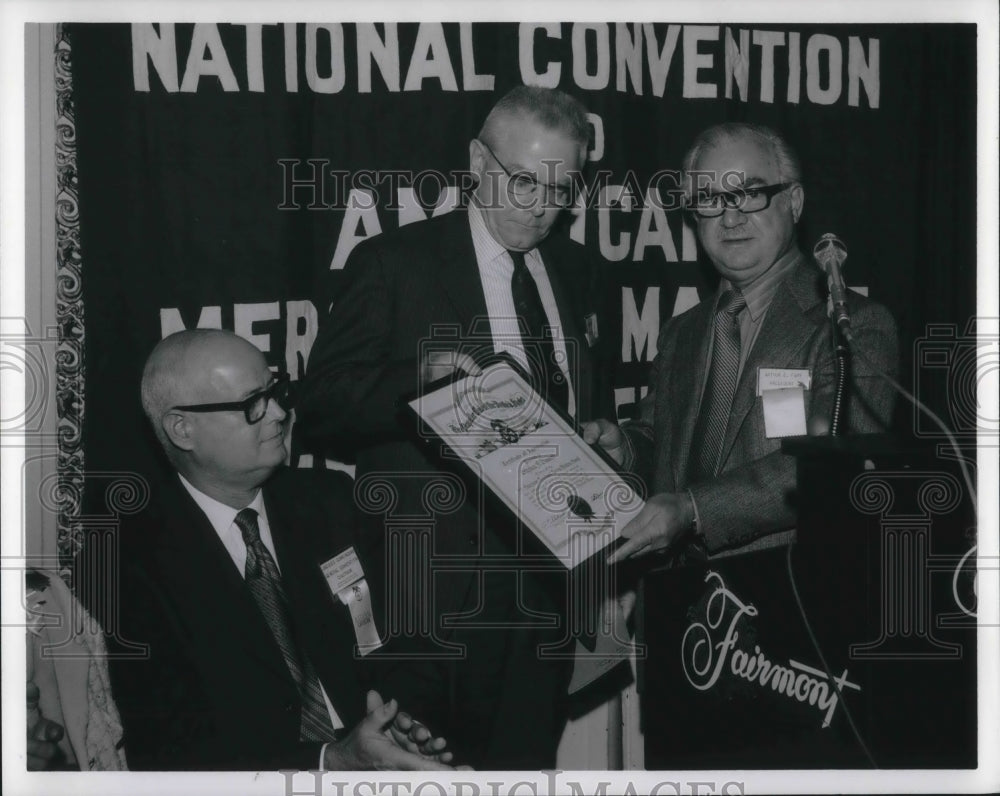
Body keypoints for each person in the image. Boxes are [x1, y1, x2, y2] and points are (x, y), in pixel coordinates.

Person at [297, 85, 613, 768]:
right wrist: (417, 379)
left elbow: (595, 404)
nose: (540, 207)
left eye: (562, 189)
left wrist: (600, 436)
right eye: (524, 181)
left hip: (545, 601)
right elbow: (318, 406)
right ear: (477, 160)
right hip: (427, 601)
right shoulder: (394, 264)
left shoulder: (580, 268)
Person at [80, 329, 458, 771]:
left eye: (276, 392)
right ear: (182, 429)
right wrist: (328, 760)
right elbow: (171, 750)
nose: (279, 413)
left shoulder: (331, 502)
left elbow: (406, 643)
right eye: (252, 404)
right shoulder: (131, 562)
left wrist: (403, 721)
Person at [584, 122, 898, 562]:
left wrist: (694, 509)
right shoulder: (681, 332)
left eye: (750, 193)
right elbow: (663, 447)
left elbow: (829, 469)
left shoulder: (852, 328)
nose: (730, 217)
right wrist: (627, 448)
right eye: (710, 199)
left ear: (794, 202)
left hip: (793, 599)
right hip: (679, 602)